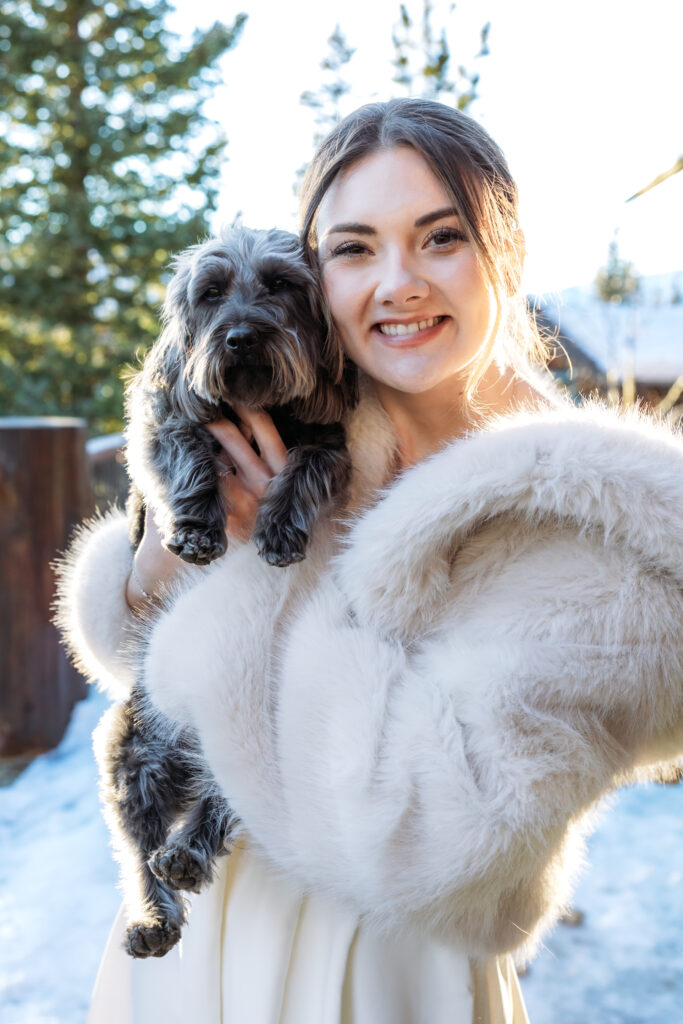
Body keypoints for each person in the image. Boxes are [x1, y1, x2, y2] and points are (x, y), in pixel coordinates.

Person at [57, 98, 683, 1024]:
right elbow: (151, 681)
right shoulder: (312, 430)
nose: (397, 283)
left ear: (502, 254)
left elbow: (435, 843)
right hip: (191, 948)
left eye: (439, 238)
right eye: (353, 248)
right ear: (317, 280)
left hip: (385, 971)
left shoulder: (598, 536)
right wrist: (152, 572)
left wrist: (287, 568)